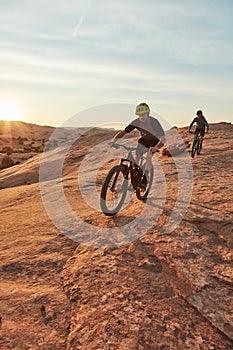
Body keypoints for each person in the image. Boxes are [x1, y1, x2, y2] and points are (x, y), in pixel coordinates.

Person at [111, 102, 165, 188]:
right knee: (137, 157)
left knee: (148, 157)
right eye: (139, 115)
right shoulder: (136, 122)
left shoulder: (154, 122)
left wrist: (156, 147)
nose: (141, 117)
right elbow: (123, 132)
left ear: (148, 114)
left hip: (154, 141)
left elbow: (163, 138)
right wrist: (114, 141)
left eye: (143, 114)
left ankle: (144, 180)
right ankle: (136, 176)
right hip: (143, 141)